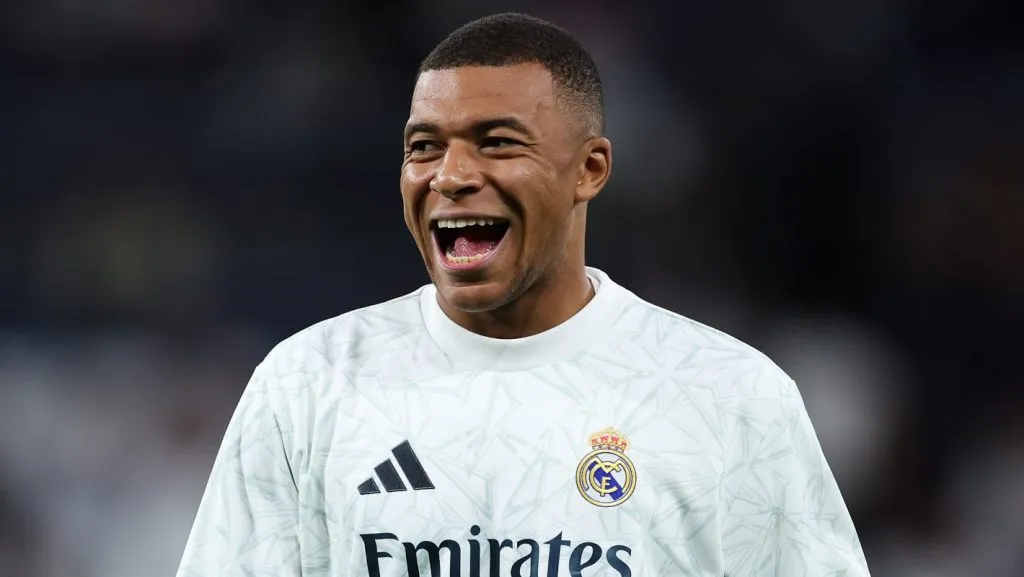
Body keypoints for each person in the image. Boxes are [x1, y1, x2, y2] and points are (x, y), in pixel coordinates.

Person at [177, 12, 871, 577]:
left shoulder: (729, 397)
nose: (450, 175)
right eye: (424, 146)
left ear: (589, 169)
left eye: (497, 143)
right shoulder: (309, 384)